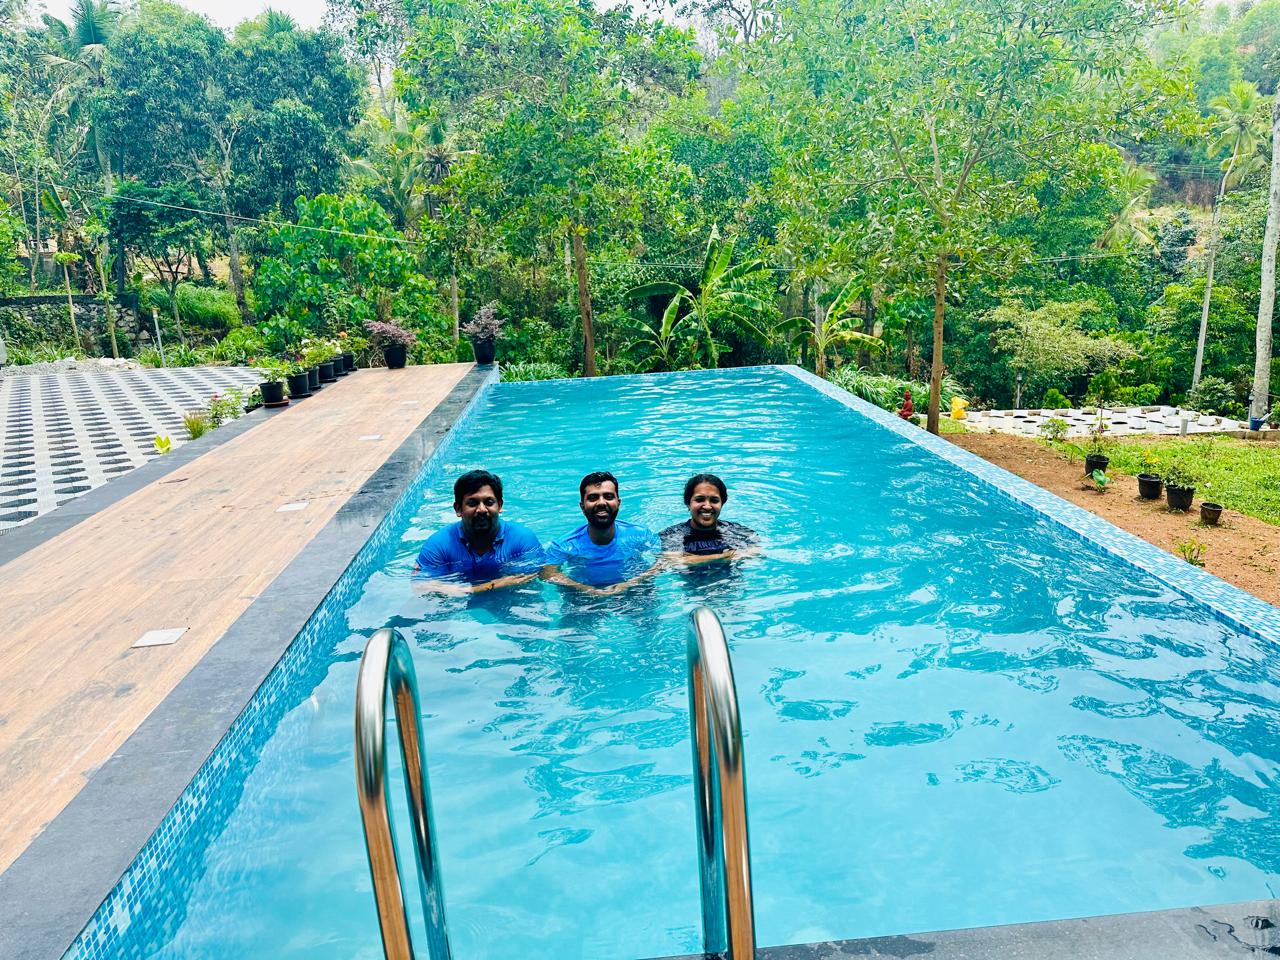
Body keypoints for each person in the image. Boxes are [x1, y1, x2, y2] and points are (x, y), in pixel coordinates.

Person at [414, 469, 544, 595]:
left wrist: (461, 590)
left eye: (489, 502)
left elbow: (533, 583)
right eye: (472, 503)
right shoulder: (439, 545)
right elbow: (421, 588)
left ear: (500, 506)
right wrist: (491, 586)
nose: (482, 509)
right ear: (458, 509)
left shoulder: (522, 540)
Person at [541, 471, 660, 594]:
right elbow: (547, 573)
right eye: (593, 498)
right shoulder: (565, 545)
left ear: (618, 503)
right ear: (582, 506)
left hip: (635, 589)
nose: (601, 503)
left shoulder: (641, 535)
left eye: (608, 496)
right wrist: (585, 589)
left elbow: (664, 561)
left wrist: (631, 583)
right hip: (584, 595)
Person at [660, 473, 758, 565]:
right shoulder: (672, 535)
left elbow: (757, 553)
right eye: (699, 500)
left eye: (714, 501)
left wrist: (694, 560)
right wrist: (725, 556)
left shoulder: (737, 531)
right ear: (688, 503)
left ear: (722, 504)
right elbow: (675, 562)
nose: (707, 506)